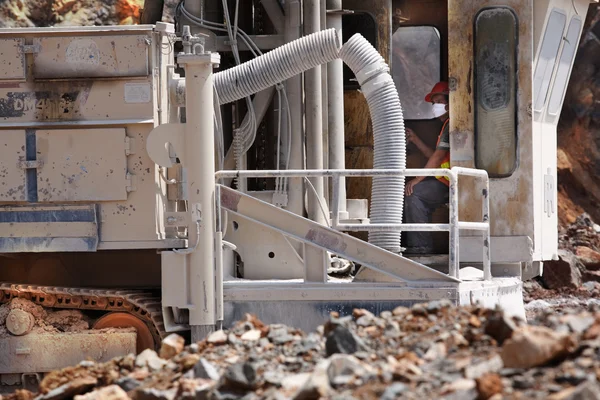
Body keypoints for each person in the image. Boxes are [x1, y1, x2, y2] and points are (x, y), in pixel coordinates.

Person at [403, 81, 451, 254]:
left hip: (452, 185)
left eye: (438, 101)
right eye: (433, 103)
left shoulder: (451, 124)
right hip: (447, 182)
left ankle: (420, 247)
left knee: (414, 192)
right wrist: (415, 139)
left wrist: (417, 179)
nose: (435, 106)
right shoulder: (446, 125)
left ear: (450, 101)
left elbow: (437, 157)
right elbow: (436, 155)